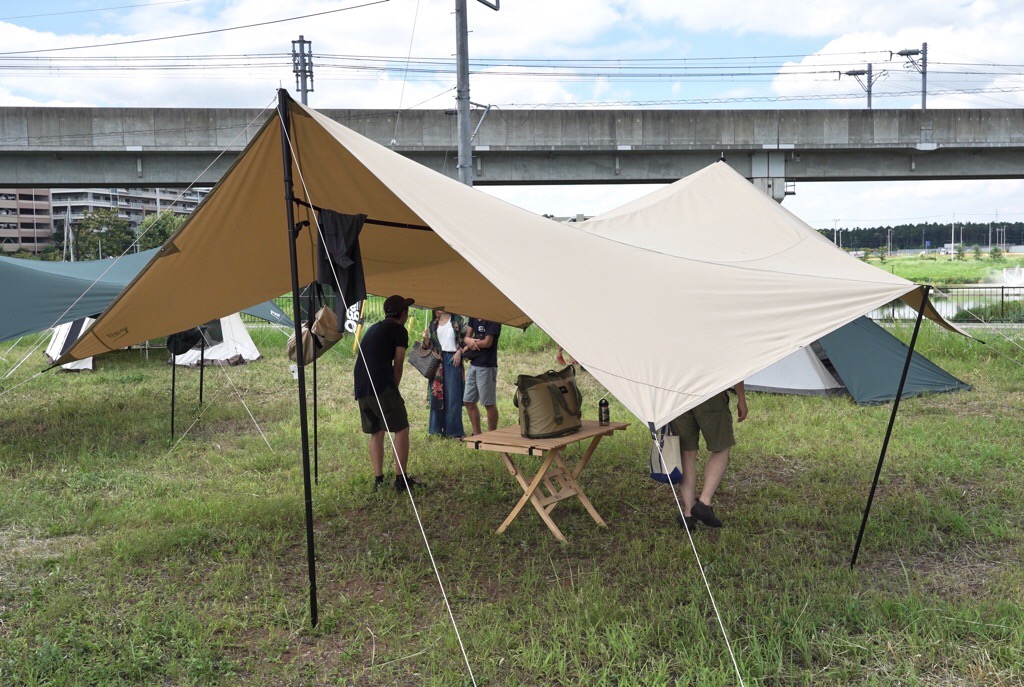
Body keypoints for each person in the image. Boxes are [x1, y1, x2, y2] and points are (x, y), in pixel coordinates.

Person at [353, 294, 424, 493]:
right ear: (403, 313)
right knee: (401, 428)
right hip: (380, 385)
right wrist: (394, 391)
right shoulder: (399, 330)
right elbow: (398, 365)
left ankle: (379, 480)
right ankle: (401, 480)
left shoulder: (375, 327)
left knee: (377, 430)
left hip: (361, 385)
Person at [670, 382, 748, 529]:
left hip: (677, 393)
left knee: (687, 452)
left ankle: (688, 515)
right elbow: (734, 362)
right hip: (710, 389)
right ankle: (704, 503)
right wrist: (741, 399)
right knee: (721, 447)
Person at [423, 308, 466, 439]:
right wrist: (425, 339)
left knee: (453, 396)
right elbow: (428, 346)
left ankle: (454, 432)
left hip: (453, 360)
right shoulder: (433, 323)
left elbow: (466, 340)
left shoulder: (458, 321)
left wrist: (459, 352)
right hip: (438, 362)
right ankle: (436, 431)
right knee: (436, 395)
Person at [459, 317, 501, 435]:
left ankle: (492, 434)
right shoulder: (474, 316)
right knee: (468, 400)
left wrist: (471, 343)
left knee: (488, 402)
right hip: (474, 363)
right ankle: (477, 433)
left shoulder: (493, 318)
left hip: (487, 364)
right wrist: (469, 341)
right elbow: (467, 336)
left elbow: (487, 342)